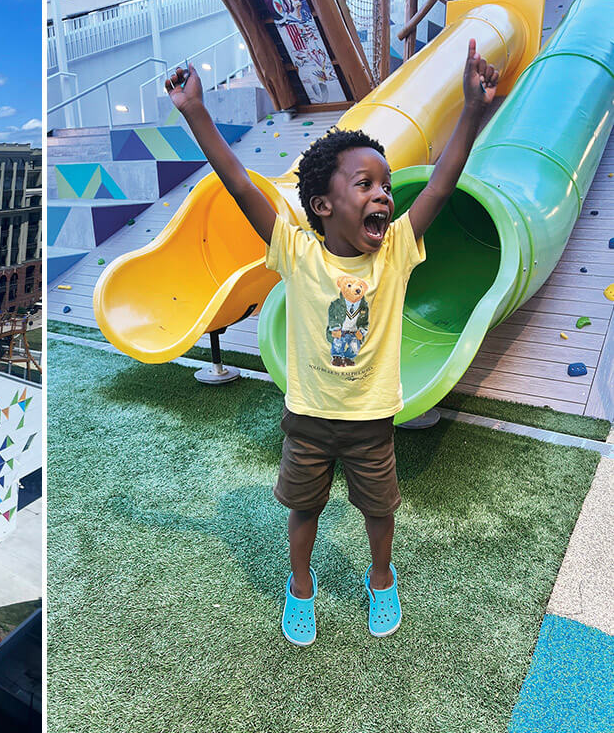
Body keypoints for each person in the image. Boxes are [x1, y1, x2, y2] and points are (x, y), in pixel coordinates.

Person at [165, 40, 499, 646]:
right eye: (365, 183)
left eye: (386, 186)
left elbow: (441, 190)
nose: (382, 195)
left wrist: (472, 112)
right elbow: (241, 186)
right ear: (322, 205)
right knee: (304, 509)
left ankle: (380, 576)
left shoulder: (396, 251)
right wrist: (196, 114)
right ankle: (300, 586)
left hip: (372, 421)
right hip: (309, 421)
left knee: (380, 510)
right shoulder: (298, 252)